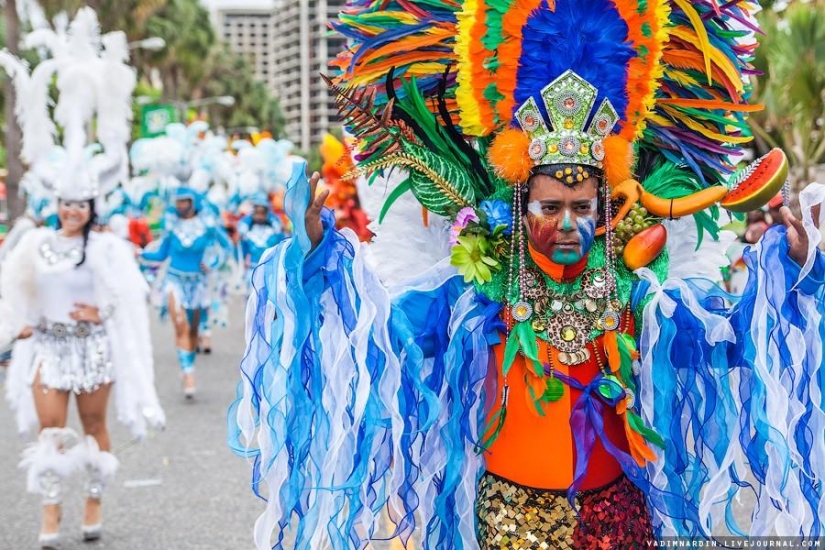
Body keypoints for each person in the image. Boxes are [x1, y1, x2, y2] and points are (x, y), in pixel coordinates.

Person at [229, 1, 825, 548]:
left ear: (604, 210)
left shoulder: (636, 294)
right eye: (549, 207)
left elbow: (728, 341)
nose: (567, 224)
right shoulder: (474, 297)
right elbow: (378, 336)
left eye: (582, 208)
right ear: (521, 206)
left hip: (619, 519)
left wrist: (794, 270)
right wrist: (317, 257)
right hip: (512, 522)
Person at [0, 10, 164, 548]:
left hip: (93, 348)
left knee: (94, 429)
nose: (72, 210)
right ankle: (50, 513)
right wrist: (20, 326)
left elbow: (130, 297)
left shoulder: (108, 247)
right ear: (57, 203)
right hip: (47, 349)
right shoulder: (33, 243)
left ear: (92, 207)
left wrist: (102, 311)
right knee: (50, 432)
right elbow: (12, 291)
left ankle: (93, 501)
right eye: (66, 203)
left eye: (81, 204)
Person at [140, 187, 231, 398]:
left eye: (184, 201)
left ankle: (188, 361)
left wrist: (213, 263)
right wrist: (138, 253)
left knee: (192, 332)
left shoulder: (207, 224)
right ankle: (188, 373)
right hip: (174, 282)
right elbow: (161, 254)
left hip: (198, 285)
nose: (180, 205)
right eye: (177, 201)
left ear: (193, 202)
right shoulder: (171, 224)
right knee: (181, 326)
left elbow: (226, 247)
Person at [236, 194, 287, 289]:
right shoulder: (247, 229)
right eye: (257, 212)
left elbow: (282, 243)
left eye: (262, 213)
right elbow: (241, 248)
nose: (259, 216)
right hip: (253, 269)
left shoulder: (274, 228)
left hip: (270, 269)